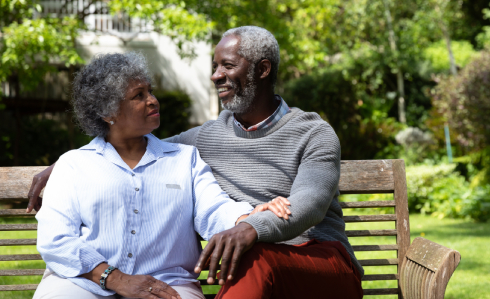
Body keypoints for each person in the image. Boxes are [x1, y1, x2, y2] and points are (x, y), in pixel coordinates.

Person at [29, 26, 364, 299]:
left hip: (317, 257)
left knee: (256, 257)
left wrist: (250, 226)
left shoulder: (314, 133)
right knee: (255, 258)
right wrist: (64, 166)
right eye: (214, 67)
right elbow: (139, 153)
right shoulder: (204, 139)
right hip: (252, 257)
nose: (216, 76)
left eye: (228, 66)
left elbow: (309, 205)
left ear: (262, 70)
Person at [32, 52, 289, 299]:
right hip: (83, 281)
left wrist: (249, 218)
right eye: (138, 96)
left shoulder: (184, 159)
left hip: (167, 281)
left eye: (150, 91)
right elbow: (56, 239)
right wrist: (117, 279)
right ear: (108, 112)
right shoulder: (74, 165)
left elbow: (214, 209)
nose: (152, 100)